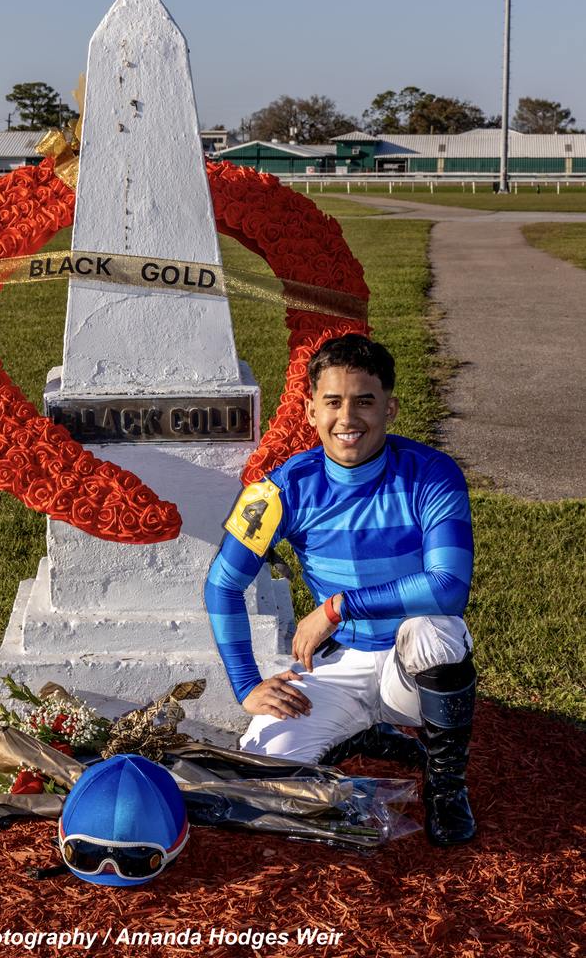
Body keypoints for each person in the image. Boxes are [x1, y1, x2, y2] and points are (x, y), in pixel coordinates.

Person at [204, 334, 477, 846]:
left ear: (390, 407)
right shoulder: (281, 488)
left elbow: (448, 589)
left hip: (409, 663)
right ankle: (361, 729)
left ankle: (445, 787)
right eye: (332, 402)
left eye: (364, 401)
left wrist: (336, 606)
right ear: (310, 410)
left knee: (434, 629)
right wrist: (245, 686)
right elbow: (223, 583)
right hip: (340, 663)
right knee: (263, 773)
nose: (347, 418)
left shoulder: (434, 475)